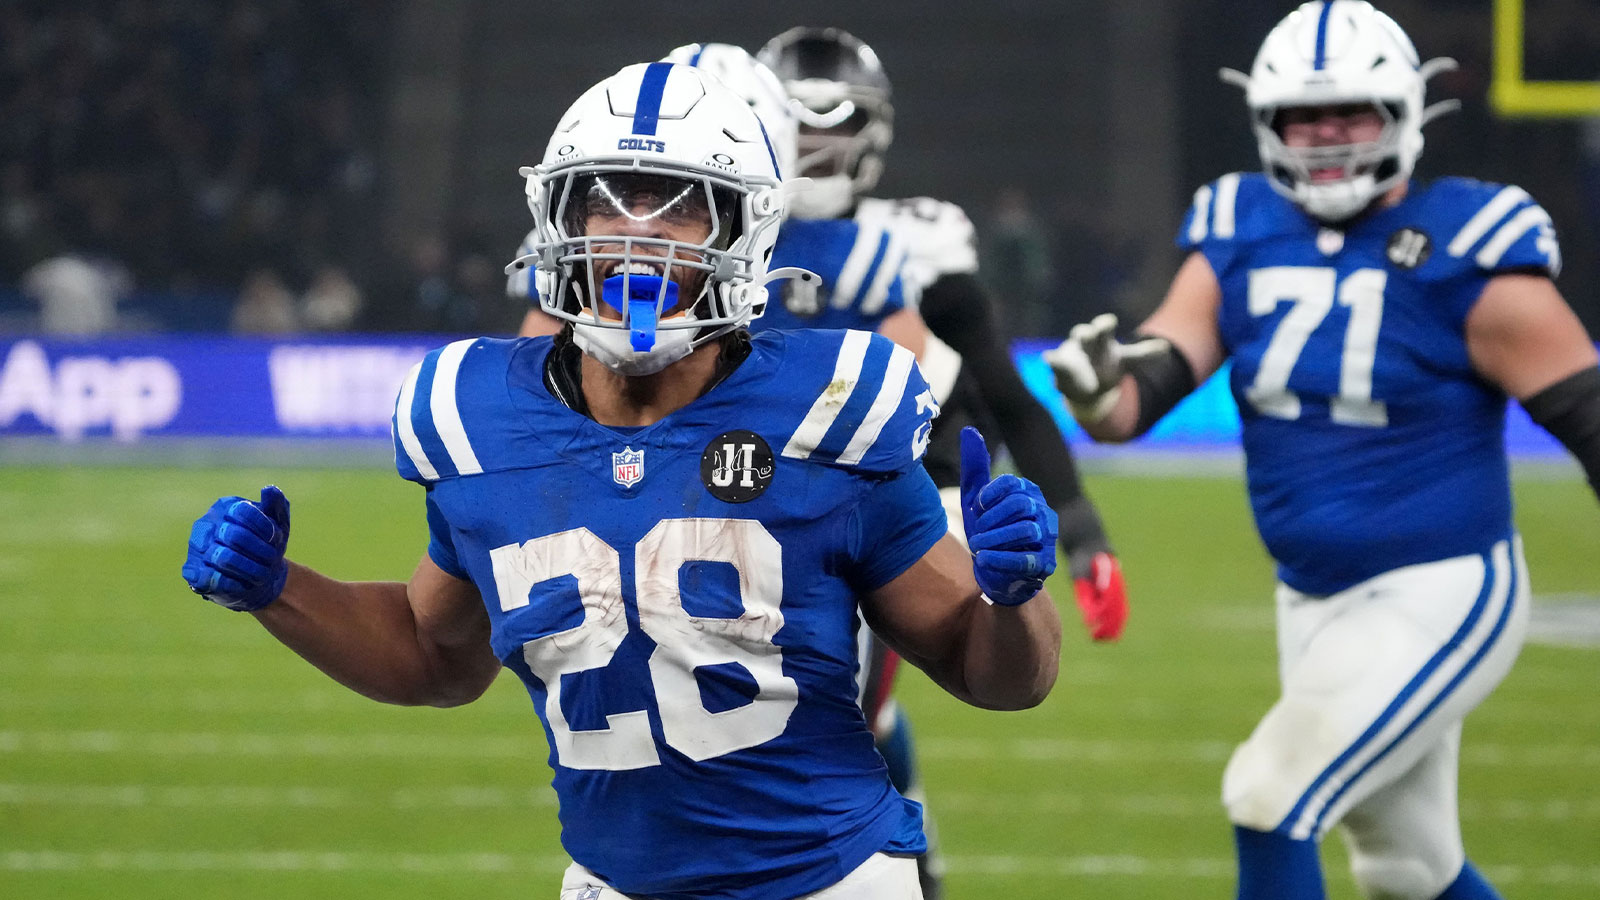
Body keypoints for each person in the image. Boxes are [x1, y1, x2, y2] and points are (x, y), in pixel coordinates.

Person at [182, 62, 1063, 900]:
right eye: (608, 200)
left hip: (829, 881)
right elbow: (430, 653)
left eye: (680, 208)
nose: (637, 231)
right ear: (558, 224)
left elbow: (999, 674)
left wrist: (1013, 596)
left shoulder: (828, 408)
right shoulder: (478, 414)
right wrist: (277, 590)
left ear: (744, 233)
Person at [1045, 4, 1600, 899]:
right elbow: (1142, 391)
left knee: (1269, 795)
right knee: (1409, 869)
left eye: (1351, 114)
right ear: (1269, 124)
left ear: (1405, 114)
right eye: (1306, 118)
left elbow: (1590, 417)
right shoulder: (1239, 224)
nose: (1328, 137)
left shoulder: (1469, 245)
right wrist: (1098, 389)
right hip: (1310, 596)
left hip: (1442, 584)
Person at [756, 27, 1128, 647]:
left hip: (877, 500)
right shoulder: (724, 236)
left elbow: (1003, 393)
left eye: (838, 122)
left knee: (840, 690)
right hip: (745, 489)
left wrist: (1084, 532)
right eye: (797, 122)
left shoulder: (914, 241)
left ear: (873, 132)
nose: (816, 144)